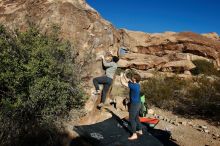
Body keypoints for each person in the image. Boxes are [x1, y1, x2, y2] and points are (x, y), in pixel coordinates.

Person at [120, 70, 143, 140]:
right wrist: (124, 75)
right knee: (136, 117)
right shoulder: (137, 84)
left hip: (134, 104)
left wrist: (121, 77)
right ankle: (140, 130)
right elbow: (128, 80)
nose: (131, 78)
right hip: (138, 103)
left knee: (131, 119)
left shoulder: (133, 86)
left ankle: (134, 134)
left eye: (132, 77)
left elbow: (123, 83)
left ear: (134, 79)